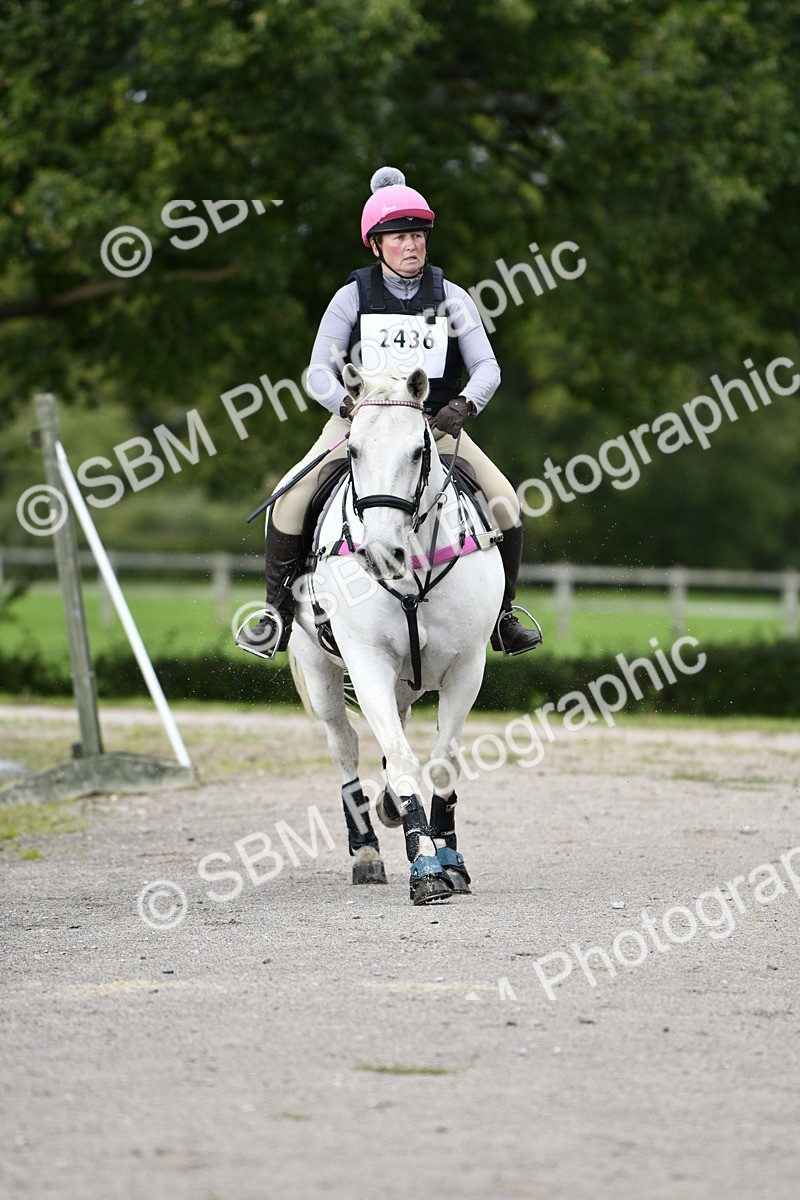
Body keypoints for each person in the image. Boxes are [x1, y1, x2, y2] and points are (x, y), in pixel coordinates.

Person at [237, 166, 542, 658]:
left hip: (434, 426)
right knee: (288, 500)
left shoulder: (453, 298)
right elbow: (318, 372)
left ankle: (503, 616)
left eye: (418, 236)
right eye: (399, 237)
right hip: (359, 424)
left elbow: (487, 367)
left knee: (505, 500)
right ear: (376, 246)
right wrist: (348, 406)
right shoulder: (351, 296)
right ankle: (277, 613)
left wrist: (463, 405)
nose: (412, 245)